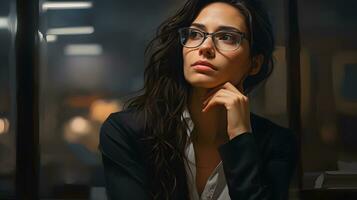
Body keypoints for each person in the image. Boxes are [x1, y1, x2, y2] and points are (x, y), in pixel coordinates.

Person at [99, 0, 298, 199]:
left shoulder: (277, 144)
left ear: (254, 63)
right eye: (195, 34)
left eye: (226, 37)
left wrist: (240, 137)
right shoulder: (127, 133)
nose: (205, 47)